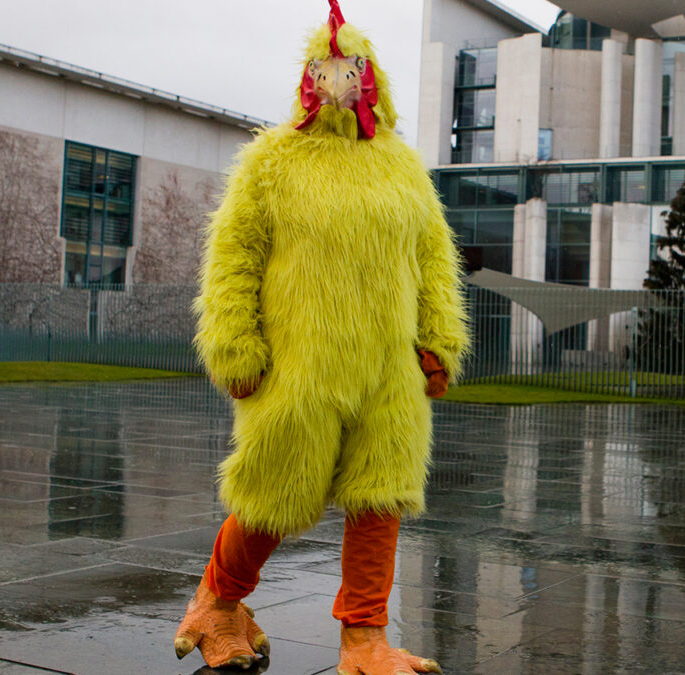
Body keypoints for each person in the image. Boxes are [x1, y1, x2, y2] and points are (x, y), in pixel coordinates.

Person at [172, 2, 467, 673]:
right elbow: (234, 255)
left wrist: (438, 340)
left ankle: (364, 639)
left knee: (382, 496)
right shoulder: (272, 160)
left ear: (371, 78)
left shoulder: (402, 168)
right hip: (297, 366)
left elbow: (434, 260)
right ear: (308, 77)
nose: (337, 82)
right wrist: (234, 345)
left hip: (389, 372)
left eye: (350, 69)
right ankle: (217, 601)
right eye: (324, 69)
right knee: (272, 492)